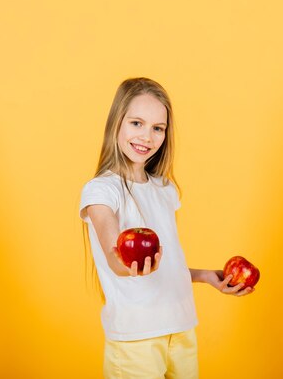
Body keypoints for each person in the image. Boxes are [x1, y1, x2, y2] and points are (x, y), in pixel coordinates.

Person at [79, 77, 254, 379]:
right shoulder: (101, 191)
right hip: (137, 338)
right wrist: (127, 266)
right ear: (116, 123)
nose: (146, 136)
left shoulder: (165, 189)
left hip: (182, 327)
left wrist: (206, 277)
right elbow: (114, 255)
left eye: (157, 128)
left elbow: (168, 263)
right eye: (136, 123)